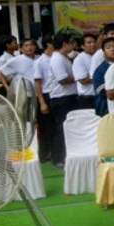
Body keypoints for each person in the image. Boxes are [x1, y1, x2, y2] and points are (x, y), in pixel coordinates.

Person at [47, 34, 78, 169]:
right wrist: (80, 76)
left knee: (68, 127)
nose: (73, 46)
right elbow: (62, 79)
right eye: (71, 43)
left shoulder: (63, 57)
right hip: (61, 98)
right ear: (65, 44)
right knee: (61, 128)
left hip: (68, 96)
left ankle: (65, 155)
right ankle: (57, 157)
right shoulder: (57, 59)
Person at [33, 34, 55, 163]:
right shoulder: (40, 62)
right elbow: (37, 83)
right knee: (46, 127)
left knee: (56, 127)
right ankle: (44, 154)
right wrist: (41, 102)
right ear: (48, 44)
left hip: (56, 95)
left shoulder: (58, 58)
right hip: (46, 95)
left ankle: (55, 151)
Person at [91, 37, 114, 117]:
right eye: (108, 47)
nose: (112, 49)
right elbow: (101, 91)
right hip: (106, 109)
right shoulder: (100, 70)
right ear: (103, 51)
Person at [73, 33, 98, 110]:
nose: (92, 44)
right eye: (89, 43)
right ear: (82, 46)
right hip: (87, 98)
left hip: (98, 95)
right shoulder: (79, 59)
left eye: (94, 42)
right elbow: (83, 80)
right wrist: (100, 77)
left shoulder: (98, 56)